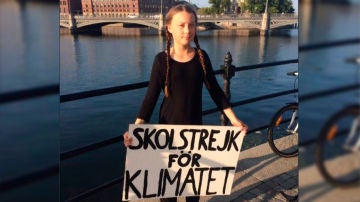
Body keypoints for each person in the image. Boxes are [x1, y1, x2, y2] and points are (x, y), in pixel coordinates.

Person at [123, 3, 248, 202]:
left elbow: (216, 91)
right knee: (167, 193)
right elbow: (150, 98)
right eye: (181, 25)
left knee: (192, 192)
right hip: (166, 136)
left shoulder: (201, 57)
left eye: (191, 25)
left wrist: (234, 120)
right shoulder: (160, 61)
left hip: (194, 134)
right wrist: (136, 129)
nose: (187, 30)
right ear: (169, 28)